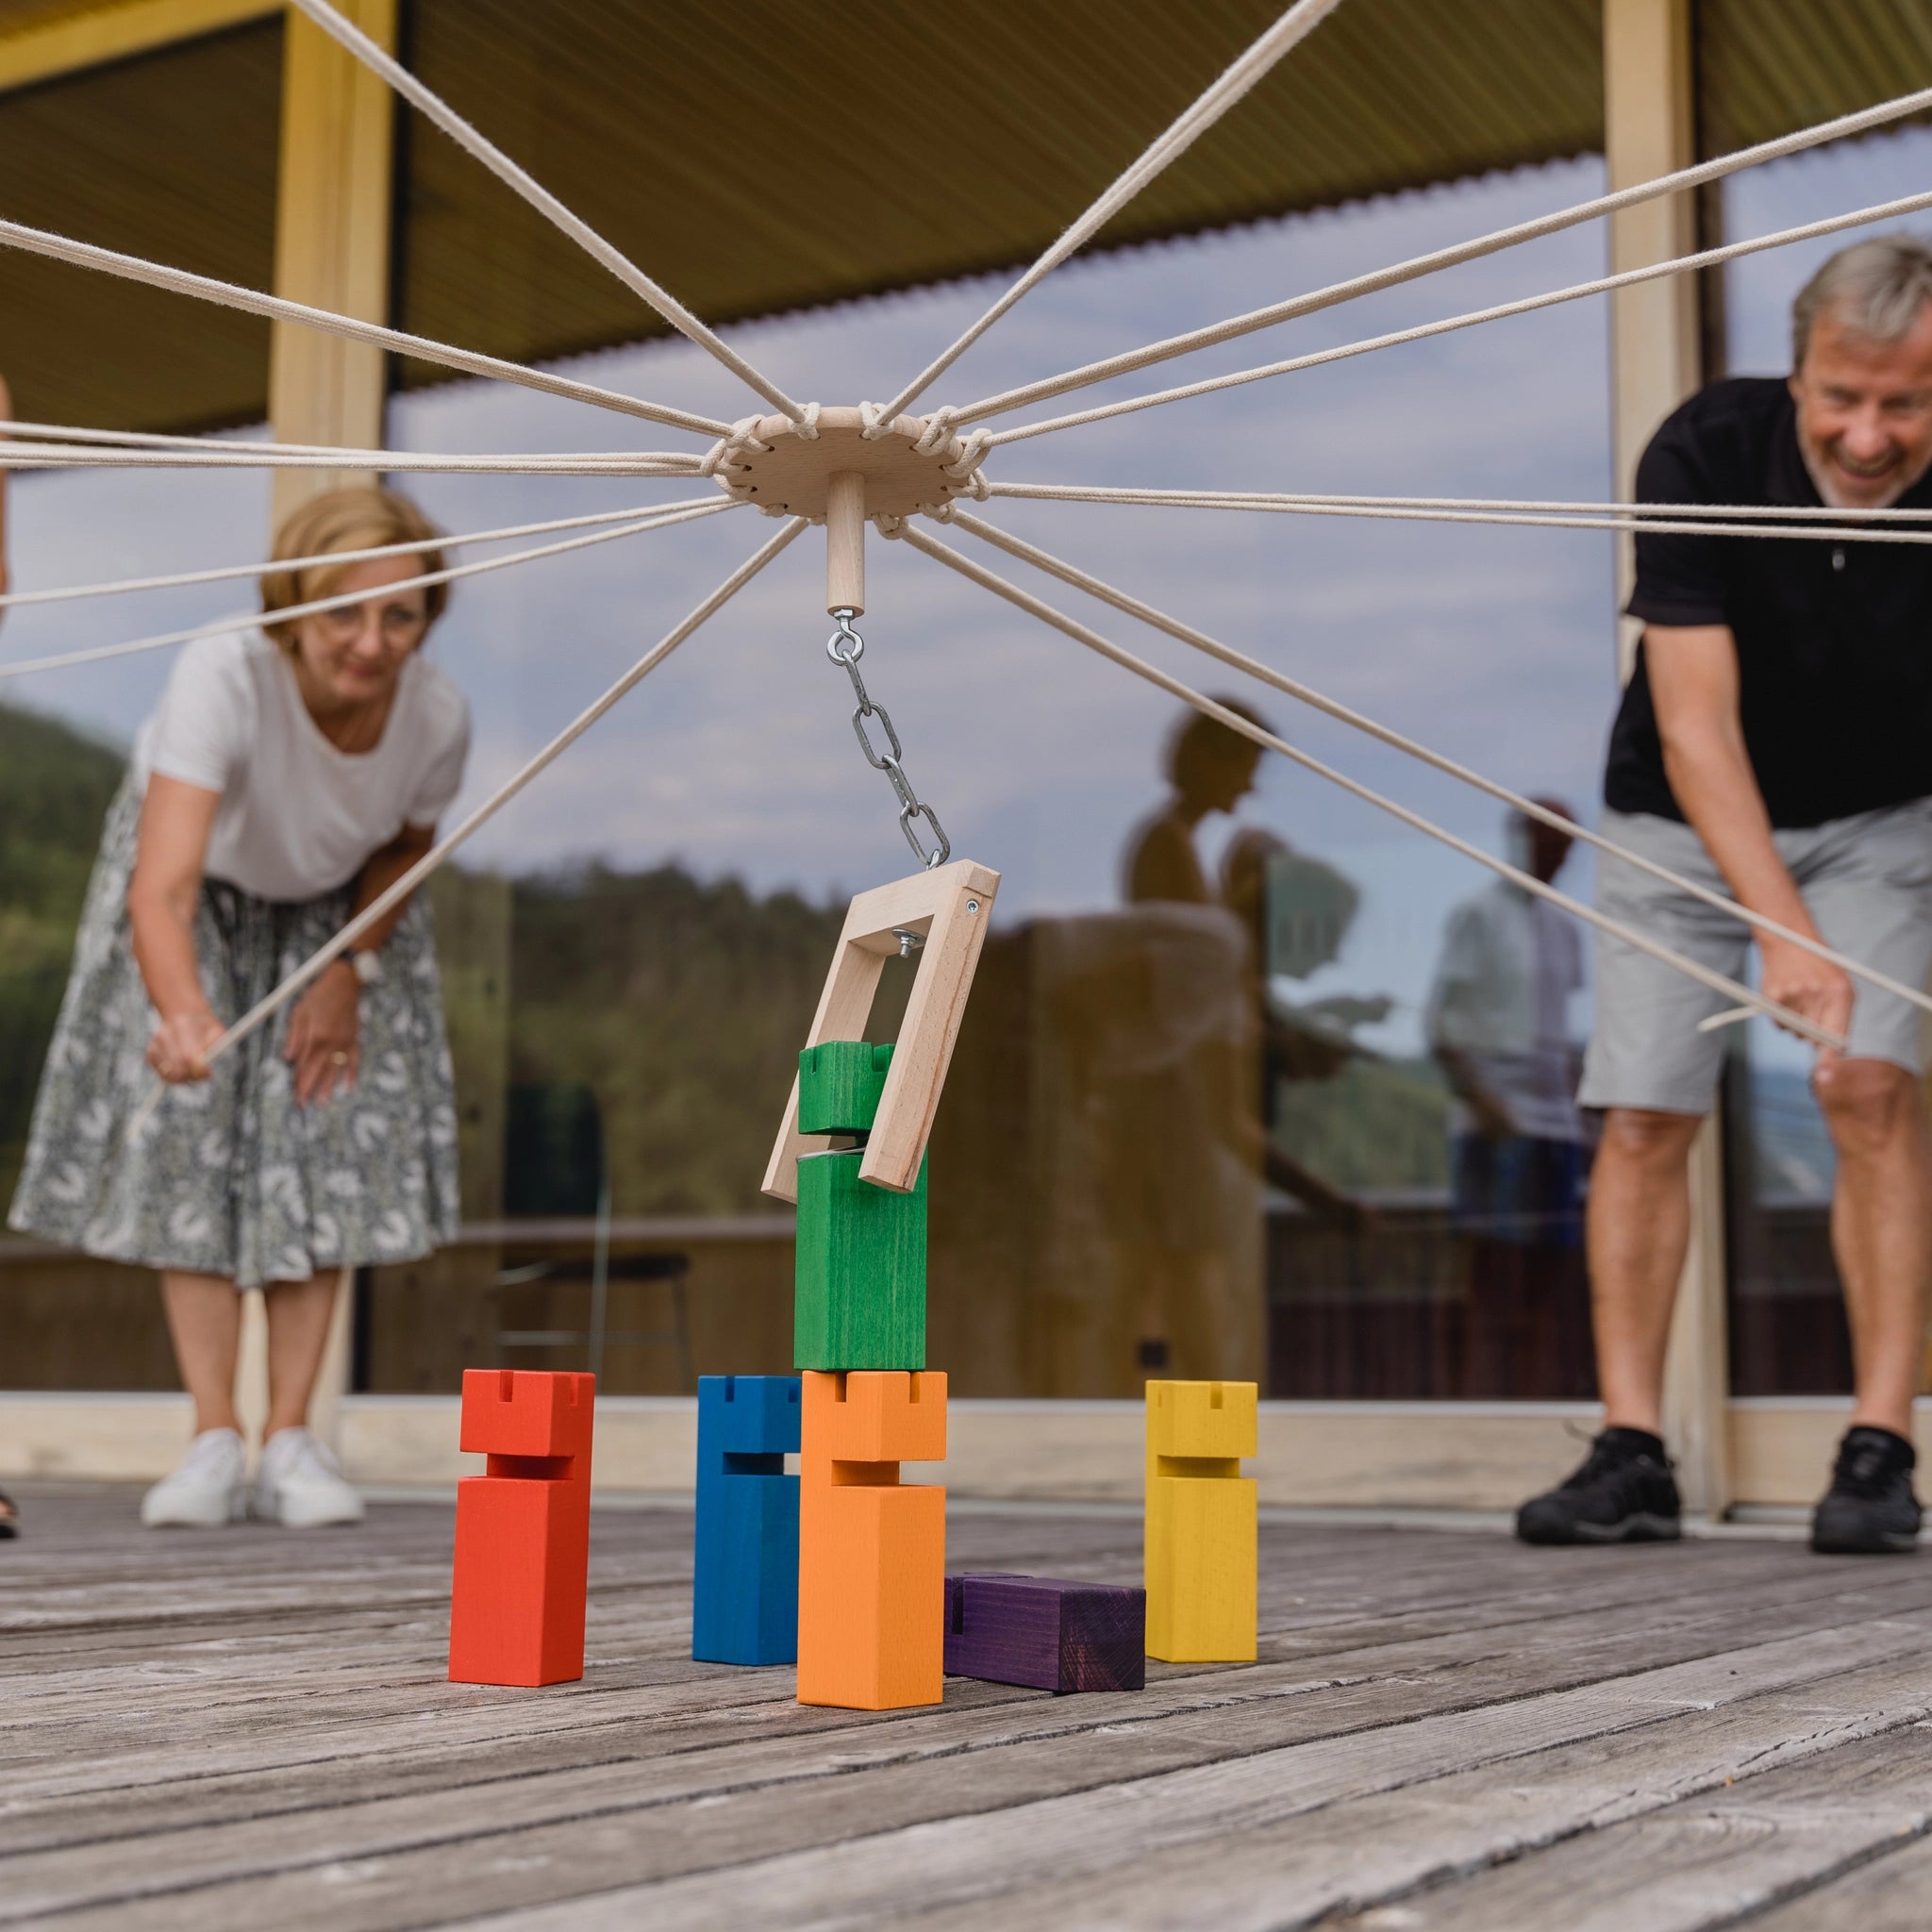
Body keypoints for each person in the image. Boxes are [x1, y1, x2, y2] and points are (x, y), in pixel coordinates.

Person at [1519, 236, 1932, 1554]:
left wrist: (1820, 941)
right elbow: (1697, 730)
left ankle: (1880, 1450)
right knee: (1642, 1110)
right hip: (1678, 814)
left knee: (1866, 1085)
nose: (1867, 435)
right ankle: (1633, 1449)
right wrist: (1785, 935)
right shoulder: (1702, 450)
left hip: (1880, 819)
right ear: (1800, 365)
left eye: (1906, 404)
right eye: (1841, 396)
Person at [8, 486, 469, 1529]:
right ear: (294, 604)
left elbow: (405, 843)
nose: (369, 641)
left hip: (334, 900)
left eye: (401, 616)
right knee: (194, 1129)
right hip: (195, 886)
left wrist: (352, 965)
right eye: (342, 612)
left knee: (325, 1124)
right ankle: (214, 1436)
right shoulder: (223, 669)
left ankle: (292, 1439)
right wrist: (179, 1011)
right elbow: (160, 887)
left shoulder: (437, 715)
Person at [1426, 802, 1592, 1395]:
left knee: (1547, 1279)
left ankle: (1533, 1395)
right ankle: (1473, 1397)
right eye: (1550, 843)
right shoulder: (1478, 916)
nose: (1558, 857)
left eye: (1566, 846)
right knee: (1488, 1276)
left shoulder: (1564, 927)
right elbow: (1441, 1030)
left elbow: (1564, 1031)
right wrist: (1487, 1107)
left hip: (1555, 1126)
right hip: (1496, 1124)